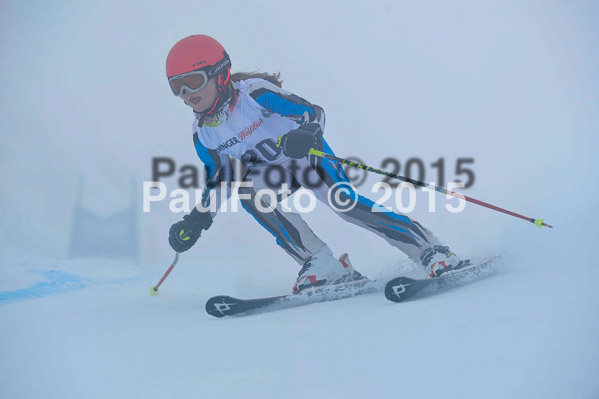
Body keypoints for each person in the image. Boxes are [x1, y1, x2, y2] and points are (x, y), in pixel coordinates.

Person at [165, 34, 470, 294]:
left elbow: (313, 112)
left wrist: (307, 133)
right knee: (248, 191)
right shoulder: (203, 133)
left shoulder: (255, 93)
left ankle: (429, 249)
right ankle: (321, 263)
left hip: (305, 158)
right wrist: (196, 221)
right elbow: (221, 179)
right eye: (177, 87)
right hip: (272, 175)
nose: (186, 95)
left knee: (346, 205)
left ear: (220, 74)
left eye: (192, 82)